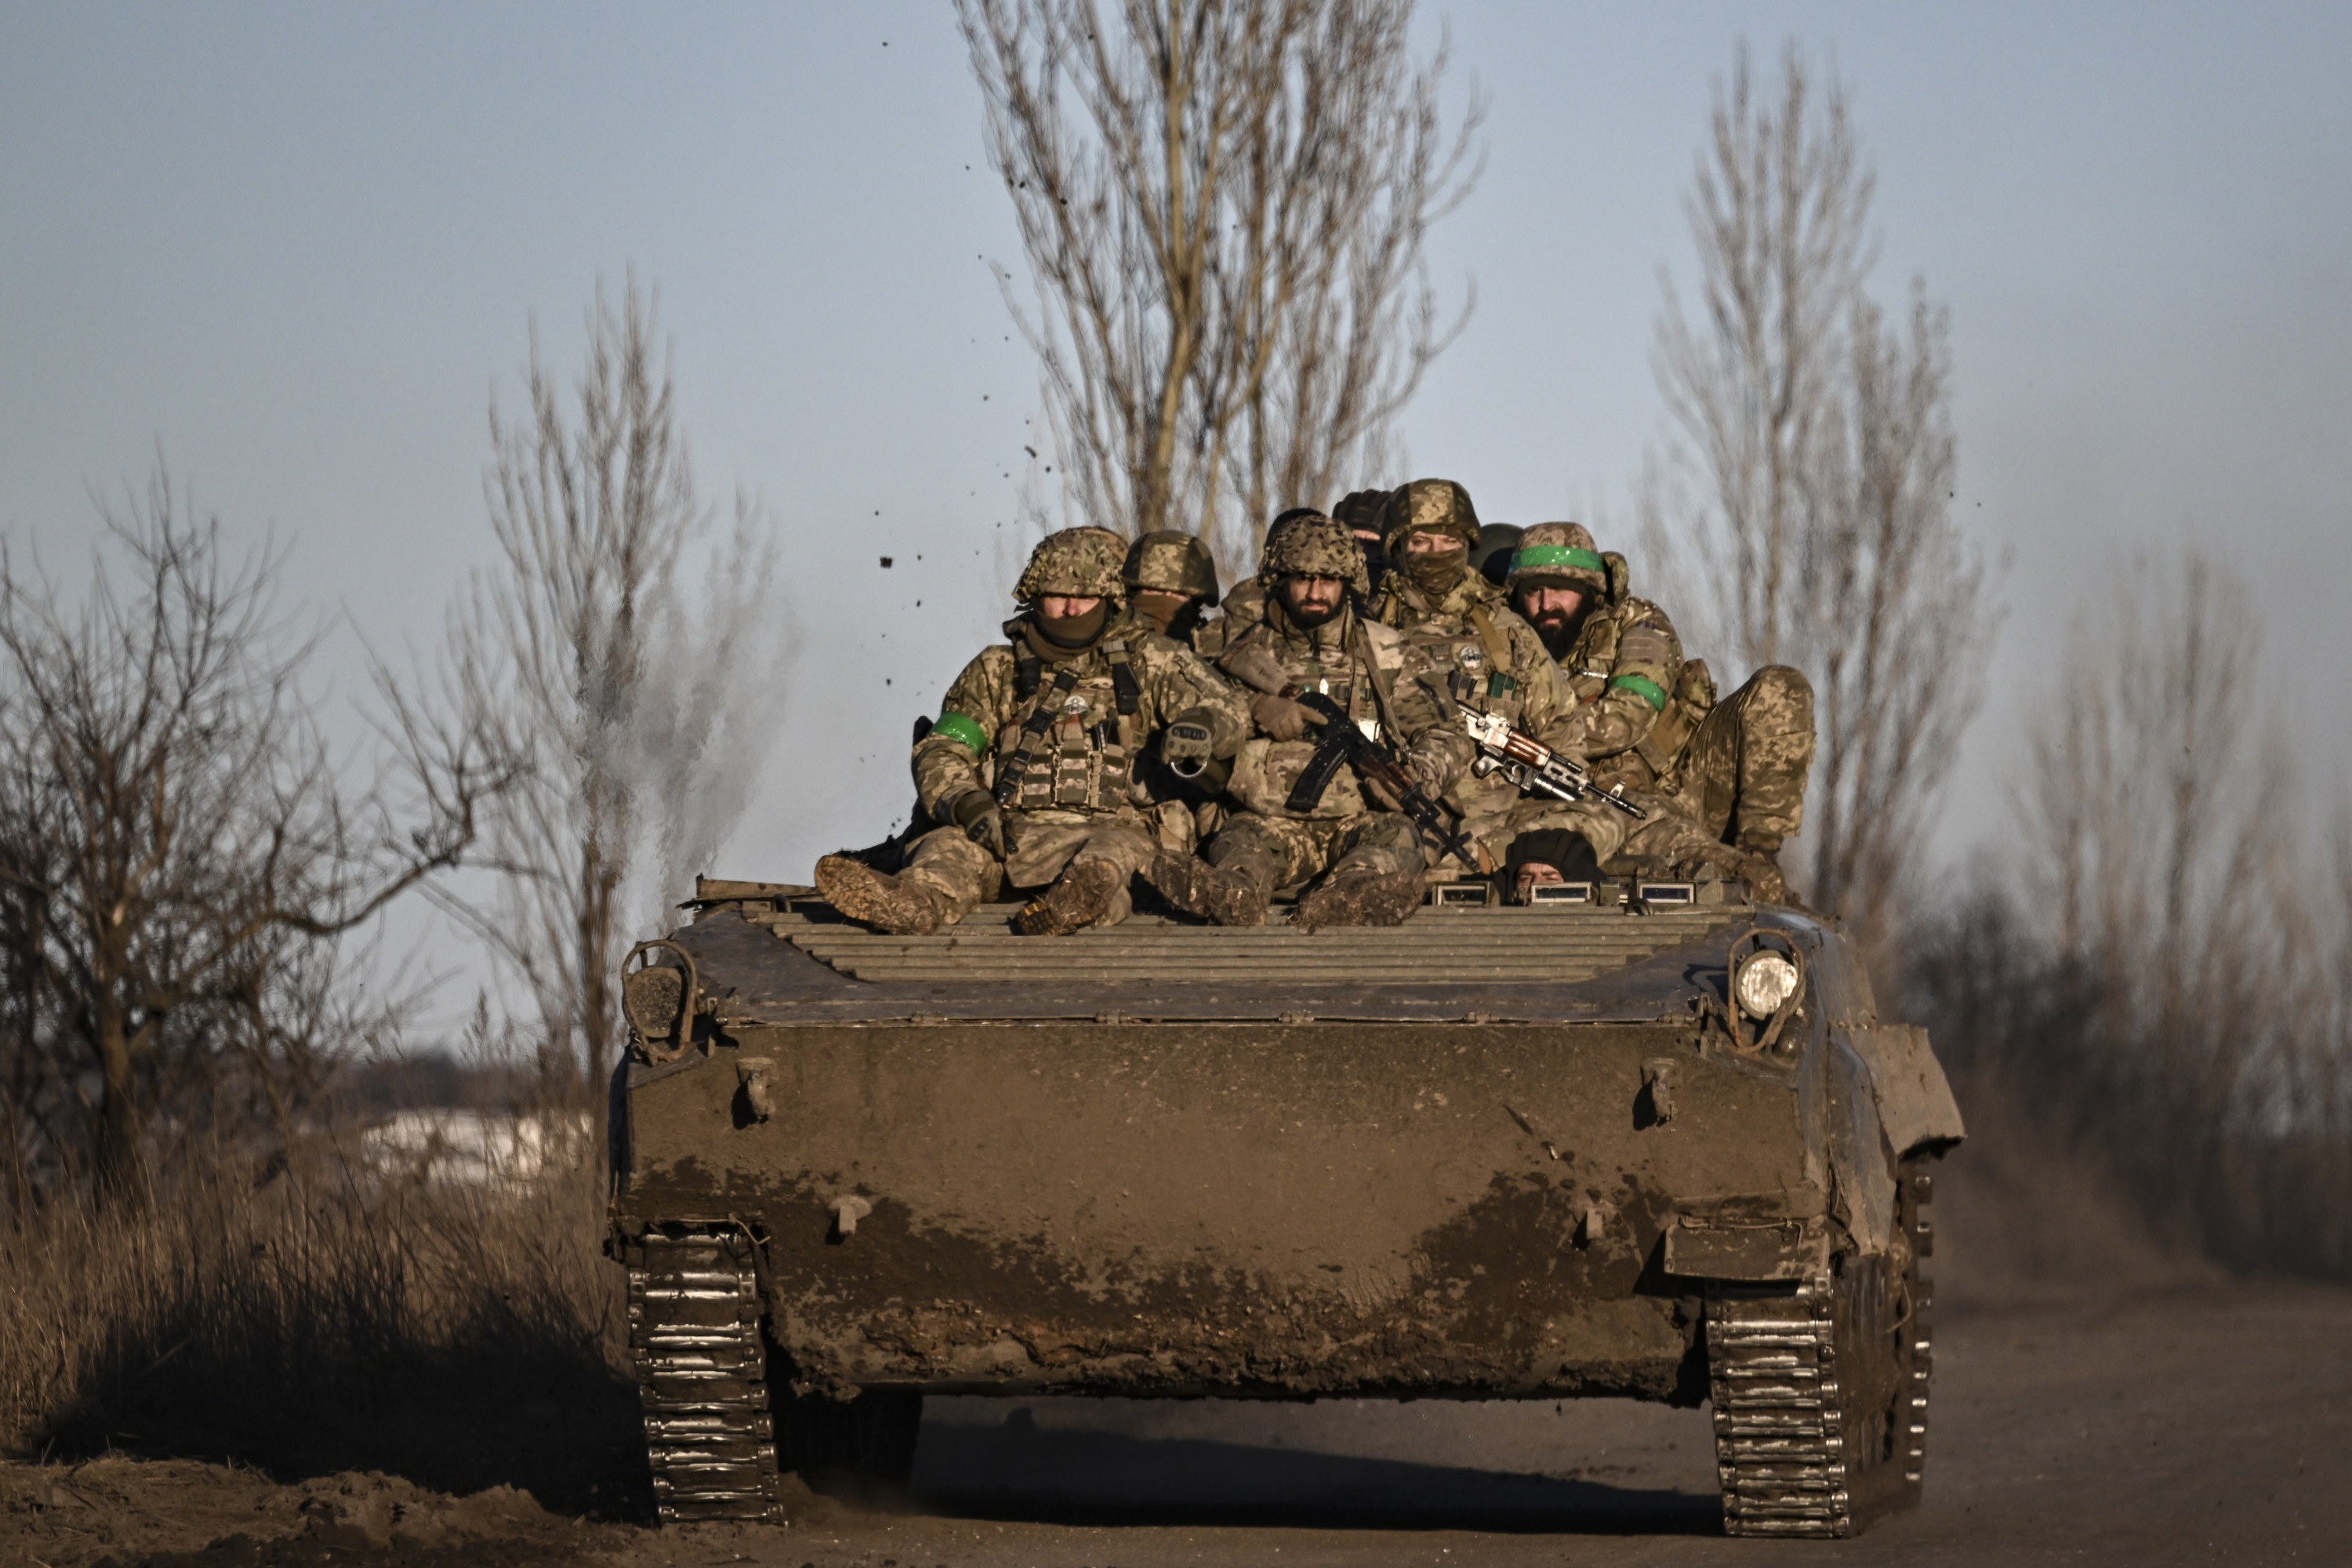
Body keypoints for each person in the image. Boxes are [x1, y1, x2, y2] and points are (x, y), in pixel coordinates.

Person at [815, 527, 1248, 936]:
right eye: (1057, 595)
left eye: (1086, 596)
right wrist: (967, 803)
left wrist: (1201, 725)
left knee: (1110, 862)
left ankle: (1073, 906)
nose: (1072, 609)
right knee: (947, 850)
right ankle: (910, 904)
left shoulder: (1153, 660)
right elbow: (944, 747)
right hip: (1006, 833)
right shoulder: (996, 669)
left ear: (1110, 597)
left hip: (1116, 830)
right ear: (1034, 596)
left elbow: (1227, 710)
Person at [1143, 514, 1471, 929]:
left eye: (1329, 580)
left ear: (1348, 582)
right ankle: (1231, 894)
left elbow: (1447, 732)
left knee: (1396, 839)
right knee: (1240, 847)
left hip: (1362, 820)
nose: (1315, 592)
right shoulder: (1229, 643)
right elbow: (1184, 714)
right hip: (1264, 819)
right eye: (1302, 579)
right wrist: (1255, 708)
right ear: (1281, 579)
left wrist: (1417, 775)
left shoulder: (1386, 652)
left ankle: (1350, 896)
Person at [1506, 522, 1816, 902]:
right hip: (1580, 805)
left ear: (1590, 590)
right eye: (1533, 591)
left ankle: (1758, 855)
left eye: (1560, 589)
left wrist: (1523, 737)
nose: (1545, 604)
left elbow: (1626, 719)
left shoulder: (1638, 622)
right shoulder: (1508, 645)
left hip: (1681, 787)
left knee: (1779, 687)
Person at [1364, 478, 1602, 873]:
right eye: (1420, 542)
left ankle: (1475, 859)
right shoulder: (1367, 629)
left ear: (1467, 544)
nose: (1436, 553)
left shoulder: (1507, 633)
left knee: (1601, 818)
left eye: (1448, 541)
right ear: (1397, 547)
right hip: (1401, 813)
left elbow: (1562, 734)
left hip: (1499, 822)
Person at [1120, 529, 1221, 650]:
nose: (1163, 598)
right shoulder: (1214, 652)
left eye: (1178, 594)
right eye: (1150, 591)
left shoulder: (1100, 643)